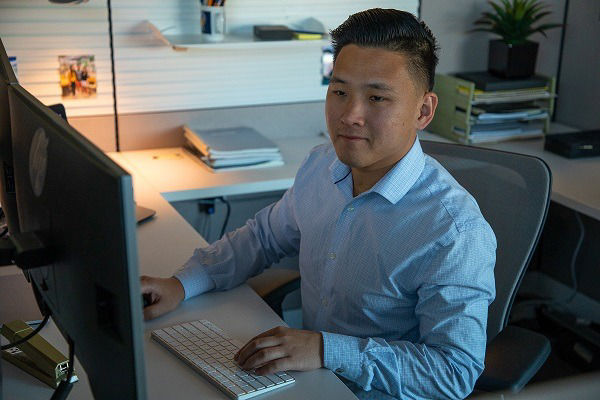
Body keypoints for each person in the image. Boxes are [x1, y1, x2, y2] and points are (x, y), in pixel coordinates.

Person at [141, 8, 496, 400]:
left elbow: (454, 372)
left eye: (376, 97)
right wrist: (181, 284)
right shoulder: (321, 165)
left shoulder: (454, 231)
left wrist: (328, 350)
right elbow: (262, 238)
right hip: (307, 381)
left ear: (423, 111)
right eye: (340, 92)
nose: (349, 116)